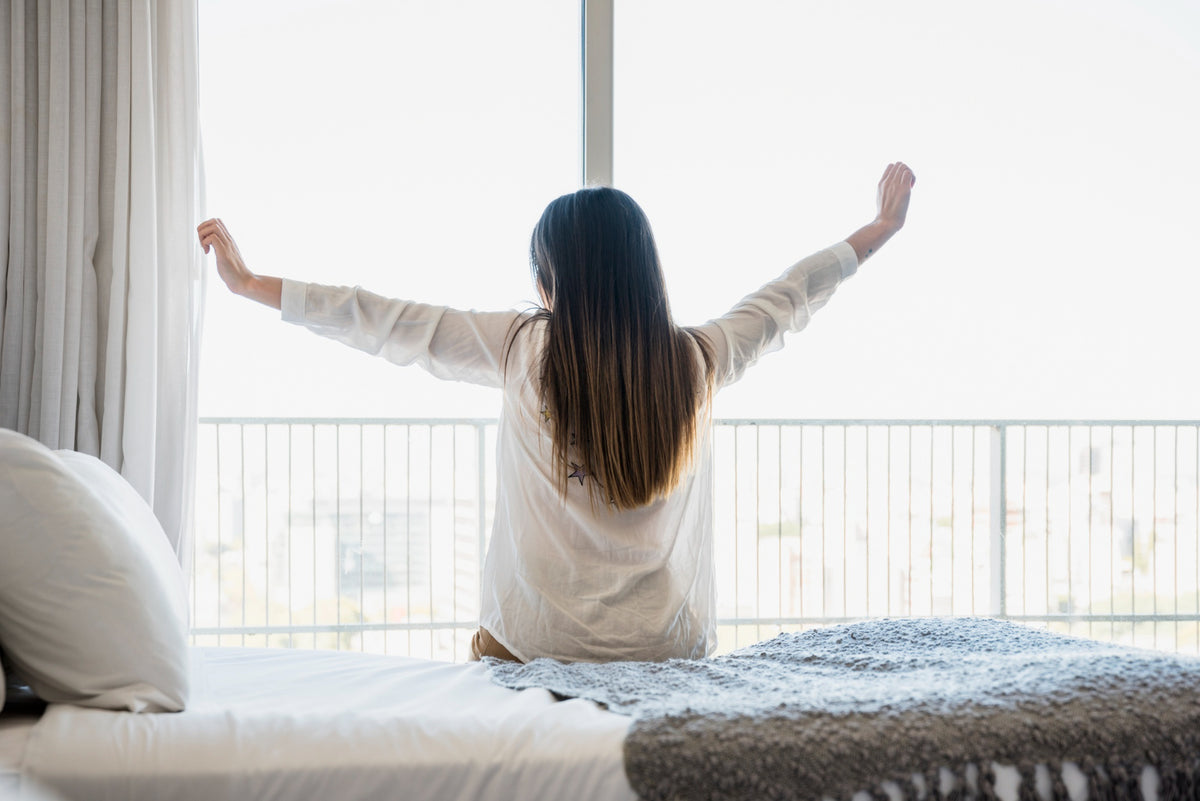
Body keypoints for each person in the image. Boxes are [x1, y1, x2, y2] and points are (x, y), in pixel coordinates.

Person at [196, 162, 915, 664]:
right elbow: (792, 295)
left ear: (550, 279)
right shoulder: (698, 359)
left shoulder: (520, 347)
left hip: (527, 648)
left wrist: (252, 283)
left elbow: (383, 320)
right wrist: (880, 228)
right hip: (668, 653)